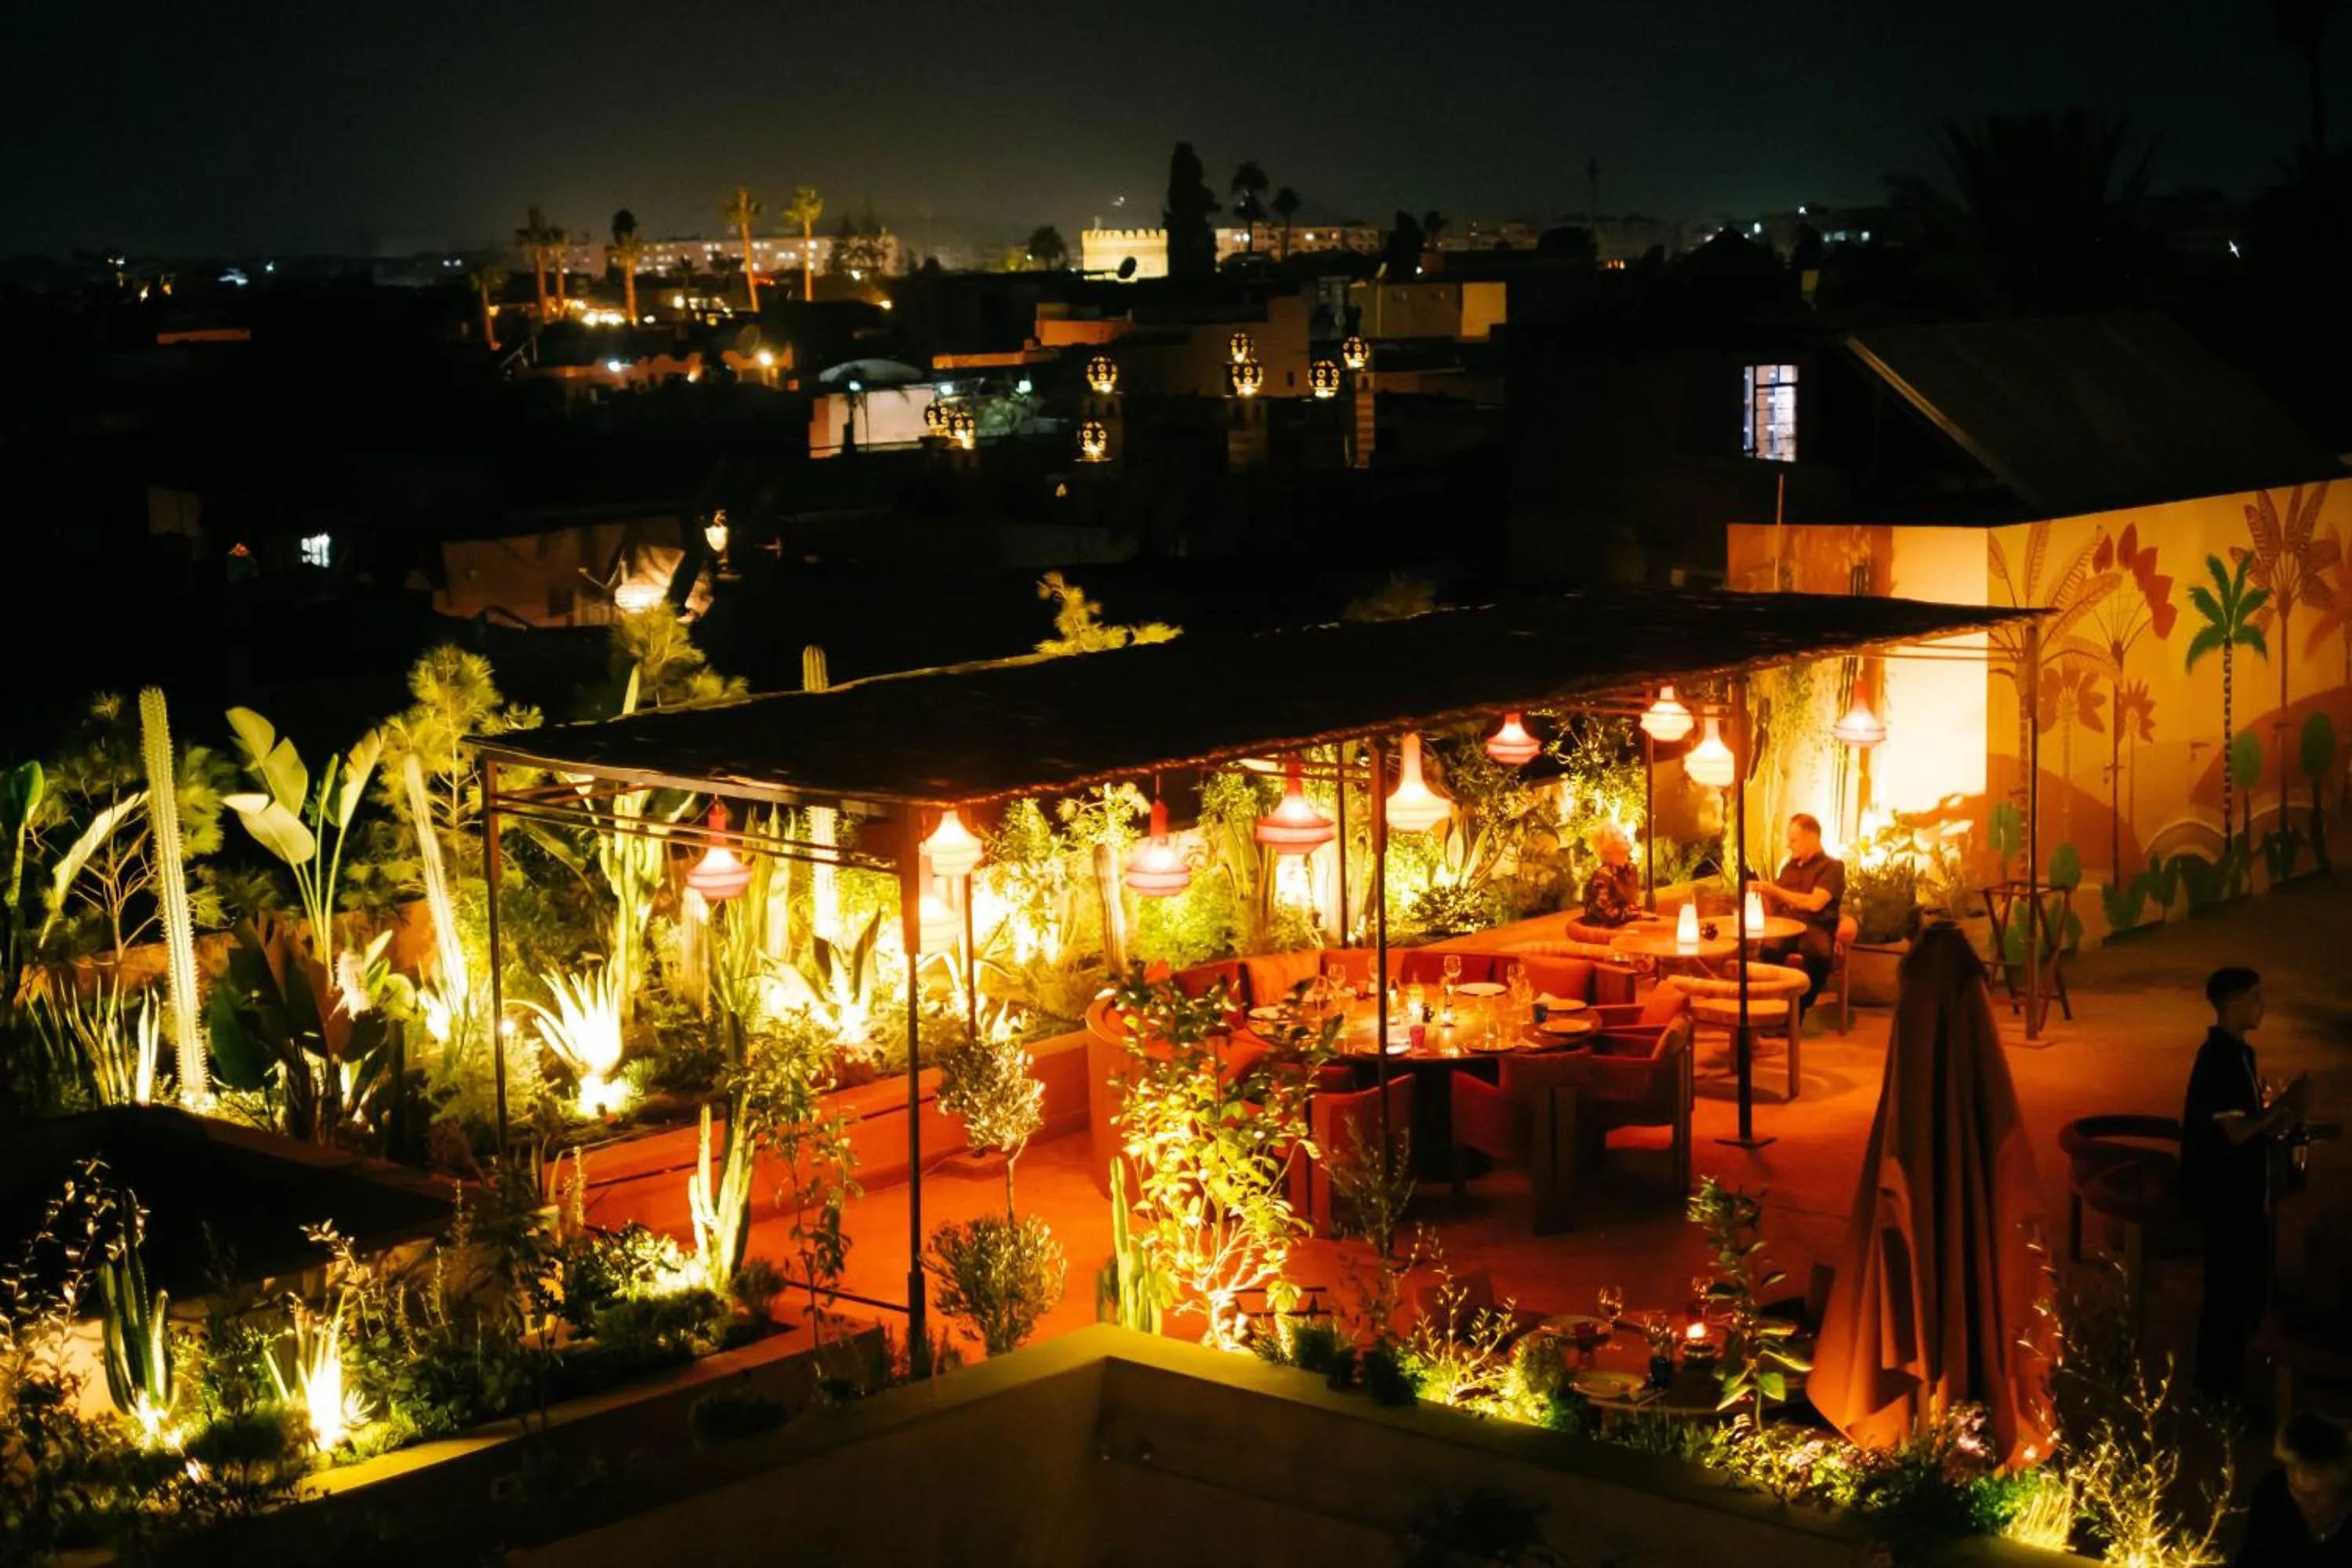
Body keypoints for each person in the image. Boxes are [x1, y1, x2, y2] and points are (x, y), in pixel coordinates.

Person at [2182, 966, 2308, 1403]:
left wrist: (2270, 1117)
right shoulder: (2219, 1059)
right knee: (2228, 1293)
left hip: (2242, 1192)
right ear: (2235, 1002)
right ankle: (2218, 1386)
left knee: (2242, 1289)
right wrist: (2283, 1107)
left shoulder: (2240, 1055)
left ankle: (2229, 1381)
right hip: (2226, 1196)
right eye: (2257, 996)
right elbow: (2234, 1132)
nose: (2262, 1005)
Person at [2235, 1412, 2352, 1565]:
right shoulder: (2272, 1494)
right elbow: (2251, 1557)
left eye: (2318, 1495)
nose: (2305, 1502)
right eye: (2296, 1490)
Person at [1756, 812, 1845, 1011]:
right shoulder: (1789, 867)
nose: (1789, 845)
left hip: (1814, 926)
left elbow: (1815, 903)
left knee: (1818, 956)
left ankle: (1795, 1014)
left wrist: (1776, 891)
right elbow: (1774, 908)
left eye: (1794, 840)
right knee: (1767, 951)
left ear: (1812, 837)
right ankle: (1768, 1010)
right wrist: (1763, 895)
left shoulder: (1832, 867)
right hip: (1785, 925)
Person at [1580, 822, 1644, 927]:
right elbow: (1605, 912)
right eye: (1618, 834)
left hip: (1628, 925)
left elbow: (1632, 904)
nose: (1625, 836)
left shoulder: (1631, 870)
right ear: (1608, 845)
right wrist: (1630, 914)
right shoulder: (1603, 875)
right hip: (1607, 931)